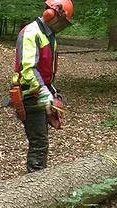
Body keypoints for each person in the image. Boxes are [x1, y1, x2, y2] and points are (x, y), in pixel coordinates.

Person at [11, 0, 73, 173]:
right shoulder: (32, 32)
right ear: (52, 14)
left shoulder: (48, 35)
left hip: (40, 90)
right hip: (30, 93)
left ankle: (38, 182)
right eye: (61, 20)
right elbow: (28, 68)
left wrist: (52, 91)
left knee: (41, 141)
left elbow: (45, 69)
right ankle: (34, 184)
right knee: (39, 143)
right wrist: (43, 92)